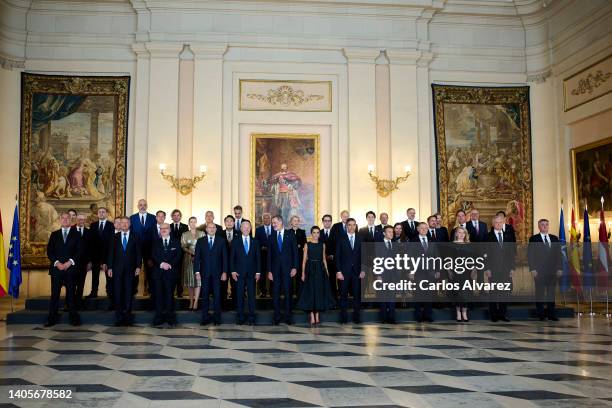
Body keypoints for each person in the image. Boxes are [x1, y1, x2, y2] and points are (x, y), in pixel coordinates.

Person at [46, 212, 82, 327]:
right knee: (55, 294)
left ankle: (73, 319)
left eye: (68, 218)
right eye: (63, 218)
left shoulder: (76, 234)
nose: (66, 220)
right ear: (60, 220)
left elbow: (79, 251)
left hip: (71, 269)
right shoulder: (54, 234)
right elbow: (49, 252)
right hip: (57, 269)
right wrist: (57, 263)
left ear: (70, 220)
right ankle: (52, 319)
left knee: (71, 295)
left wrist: (69, 263)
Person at [297, 226, 335, 325]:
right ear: (311, 234)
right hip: (310, 269)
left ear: (319, 234)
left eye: (318, 232)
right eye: (314, 232)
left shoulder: (322, 244)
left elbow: (323, 259)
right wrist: (302, 273)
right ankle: (311, 314)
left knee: (318, 292)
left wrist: (327, 271)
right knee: (310, 291)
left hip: (320, 269)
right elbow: (304, 260)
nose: (316, 234)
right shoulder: (307, 245)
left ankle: (317, 314)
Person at [107, 217, 141, 326]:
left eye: (126, 223)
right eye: (122, 223)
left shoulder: (135, 236)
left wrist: (138, 266)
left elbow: (138, 253)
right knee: (118, 293)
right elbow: (110, 253)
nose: (124, 225)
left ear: (130, 224)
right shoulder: (114, 237)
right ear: (120, 225)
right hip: (117, 270)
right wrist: (110, 268)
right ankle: (119, 317)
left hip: (131, 270)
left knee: (128, 293)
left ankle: (127, 317)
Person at [528, 219, 562, 321]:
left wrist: (560, 268)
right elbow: (530, 255)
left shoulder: (554, 238)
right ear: (539, 227)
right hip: (539, 271)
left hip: (552, 271)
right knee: (540, 293)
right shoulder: (534, 239)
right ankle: (541, 314)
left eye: (547, 224)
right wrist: (533, 269)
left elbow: (559, 255)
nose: (545, 226)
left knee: (551, 293)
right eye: (542, 225)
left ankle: (552, 314)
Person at [194, 223, 228, 325]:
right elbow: (197, 258)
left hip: (218, 274)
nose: (212, 229)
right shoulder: (200, 241)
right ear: (206, 229)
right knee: (204, 296)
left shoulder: (221, 241)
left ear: (216, 229)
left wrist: (225, 272)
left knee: (217, 296)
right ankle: (205, 317)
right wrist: (197, 271)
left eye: (214, 227)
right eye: (210, 227)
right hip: (204, 273)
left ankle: (217, 318)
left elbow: (225, 258)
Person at [484, 215, 517, 322]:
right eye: (496, 222)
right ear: (493, 224)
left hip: (506, 270)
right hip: (492, 270)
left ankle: (503, 314)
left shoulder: (508, 236)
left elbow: (512, 254)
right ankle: (494, 315)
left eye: (500, 222)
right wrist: (487, 269)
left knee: (505, 292)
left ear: (503, 223)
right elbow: (484, 254)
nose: (498, 224)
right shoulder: (487, 237)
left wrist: (512, 268)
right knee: (493, 293)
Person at [267, 215, 299, 325]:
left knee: (288, 293)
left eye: (274, 222)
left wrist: (295, 267)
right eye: (272, 223)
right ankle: (277, 316)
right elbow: (269, 256)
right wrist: (269, 271)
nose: (273, 225)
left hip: (288, 270)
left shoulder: (290, 235)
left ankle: (288, 317)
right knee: (275, 294)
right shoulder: (271, 236)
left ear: (280, 222)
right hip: (275, 271)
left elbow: (295, 252)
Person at [151, 223, 181, 327]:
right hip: (158, 273)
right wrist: (162, 264)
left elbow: (178, 256)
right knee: (158, 296)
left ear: (170, 230)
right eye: (161, 228)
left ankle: (170, 317)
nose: (163, 230)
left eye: (165, 228)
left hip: (170, 273)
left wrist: (169, 265)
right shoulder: (155, 242)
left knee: (169, 296)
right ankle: (158, 317)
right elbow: (153, 255)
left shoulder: (176, 242)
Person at [230, 220, 261, 325]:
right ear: (241, 229)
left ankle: (252, 317)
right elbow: (232, 258)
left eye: (248, 227)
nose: (246, 229)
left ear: (250, 229)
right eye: (244, 227)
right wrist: (233, 271)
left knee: (252, 296)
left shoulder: (255, 241)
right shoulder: (235, 241)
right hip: (239, 273)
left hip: (252, 273)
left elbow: (258, 259)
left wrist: (258, 272)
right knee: (239, 296)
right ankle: (240, 317)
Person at [336, 218, 365, 324]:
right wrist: (338, 271)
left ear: (356, 226)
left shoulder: (360, 238)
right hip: (344, 272)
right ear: (346, 226)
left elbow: (364, 255)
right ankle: (343, 318)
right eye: (349, 225)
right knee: (343, 295)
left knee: (357, 295)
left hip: (357, 272)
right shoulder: (341, 238)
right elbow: (337, 256)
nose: (351, 227)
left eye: (353, 225)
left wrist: (363, 270)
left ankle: (356, 317)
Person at [410, 222, 440, 323]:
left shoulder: (432, 241)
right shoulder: (413, 241)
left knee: (429, 294)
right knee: (418, 294)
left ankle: (428, 315)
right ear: (418, 229)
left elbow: (436, 257)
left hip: (430, 272)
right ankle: (418, 316)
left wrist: (437, 270)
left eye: (425, 228)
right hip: (418, 272)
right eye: (422, 228)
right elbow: (410, 258)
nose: (424, 230)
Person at [88, 207, 115, 306]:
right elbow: (90, 242)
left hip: (107, 255)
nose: (101, 213)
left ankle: (110, 293)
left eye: (103, 212)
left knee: (108, 275)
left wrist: (106, 259)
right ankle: (94, 292)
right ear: (97, 214)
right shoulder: (93, 225)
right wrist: (90, 259)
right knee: (95, 275)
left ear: (107, 214)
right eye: (100, 212)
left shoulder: (111, 225)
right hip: (95, 255)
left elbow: (111, 242)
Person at [448, 226, 475, 322]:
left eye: (463, 233)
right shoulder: (451, 245)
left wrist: (473, 270)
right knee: (457, 292)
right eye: (459, 232)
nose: (461, 234)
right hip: (455, 271)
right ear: (456, 234)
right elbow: (448, 260)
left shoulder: (469, 245)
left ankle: (464, 312)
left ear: (465, 234)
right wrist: (449, 271)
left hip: (467, 271)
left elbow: (473, 259)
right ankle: (458, 312)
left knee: (465, 292)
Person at [130, 199, 156, 295]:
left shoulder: (153, 218)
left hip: (149, 250)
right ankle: (134, 290)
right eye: (140, 205)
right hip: (135, 250)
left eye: (144, 205)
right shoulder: (132, 218)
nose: (142, 206)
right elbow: (131, 234)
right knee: (135, 270)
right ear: (138, 206)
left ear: (147, 206)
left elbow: (154, 235)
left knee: (150, 271)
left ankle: (150, 291)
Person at [181, 217, 204, 311]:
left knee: (198, 281)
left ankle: (196, 301)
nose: (193, 223)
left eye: (195, 222)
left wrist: (198, 255)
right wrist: (191, 253)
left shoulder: (201, 233)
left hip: (200, 259)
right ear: (189, 223)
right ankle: (191, 301)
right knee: (190, 282)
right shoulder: (185, 234)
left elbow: (204, 245)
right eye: (191, 222)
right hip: (189, 259)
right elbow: (183, 246)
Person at [72, 214, 93, 311]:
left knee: (81, 284)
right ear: (76, 220)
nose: (82, 221)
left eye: (83, 220)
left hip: (84, 263)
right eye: (80, 219)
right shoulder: (71, 231)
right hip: (71, 263)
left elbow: (91, 249)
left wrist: (89, 262)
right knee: (71, 284)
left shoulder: (89, 232)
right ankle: (70, 304)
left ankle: (78, 304)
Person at [378, 225, 397, 324]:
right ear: (384, 233)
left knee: (392, 297)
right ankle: (383, 318)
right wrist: (378, 275)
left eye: (392, 232)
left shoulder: (395, 244)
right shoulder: (378, 245)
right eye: (389, 232)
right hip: (382, 274)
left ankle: (392, 317)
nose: (391, 233)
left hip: (393, 275)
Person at [221, 215, 239, 309]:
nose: (229, 223)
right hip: (222, 265)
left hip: (235, 265)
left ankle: (235, 306)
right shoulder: (219, 233)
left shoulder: (238, 233)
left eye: (231, 221)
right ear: (224, 223)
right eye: (227, 221)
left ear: (234, 223)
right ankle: (223, 306)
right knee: (223, 286)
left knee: (235, 286)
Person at [170, 209, 188, 298]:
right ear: (172, 217)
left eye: (178, 215)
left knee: (180, 273)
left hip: (181, 253)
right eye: (174, 215)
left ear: (180, 216)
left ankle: (180, 292)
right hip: (170, 254)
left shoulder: (185, 227)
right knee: (171, 272)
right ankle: (171, 291)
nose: (176, 217)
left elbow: (185, 240)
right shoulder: (168, 226)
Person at [254, 212, 272, 297]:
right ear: (262, 220)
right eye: (264, 218)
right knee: (262, 273)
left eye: (268, 218)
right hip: (262, 255)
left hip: (273, 256)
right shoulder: (258, 230)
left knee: (273, 272)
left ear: (270, 219)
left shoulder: (275, 228)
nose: (266, 219)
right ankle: (263, 291)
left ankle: (272, 291)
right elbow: (256, 243)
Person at [320, 214, 338, 300]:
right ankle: (323, 300)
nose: (327, 222)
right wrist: (324, 256)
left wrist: (332, 256)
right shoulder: (318, 233)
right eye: (325, 221)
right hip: (321, 262)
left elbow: (338, 247)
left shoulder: (336, 233)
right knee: (322, 281)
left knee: (332, 281)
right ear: (323, 222)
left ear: (331, 222)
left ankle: (333, 301)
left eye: (329, 221)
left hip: (333, 262)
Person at [289, 215, 307, 294]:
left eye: (297, 221)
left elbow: (304, 244)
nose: (295, 222)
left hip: (300, 257)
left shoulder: (302, 232)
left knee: (299, 274)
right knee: (290, 275)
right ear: (291, 222)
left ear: (299, 222)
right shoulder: (288, 232)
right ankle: (290, 292)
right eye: (294, 220)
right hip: (290, 257)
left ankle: (299, 292)